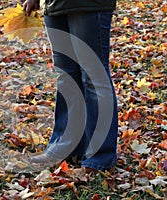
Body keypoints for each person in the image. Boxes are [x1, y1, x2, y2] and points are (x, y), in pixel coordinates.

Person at [23, 0, 118, 173]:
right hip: (54, 5)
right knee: (66, 77)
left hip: (88, 5)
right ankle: (66, 147)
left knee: (93, 76)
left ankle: (100, 157)